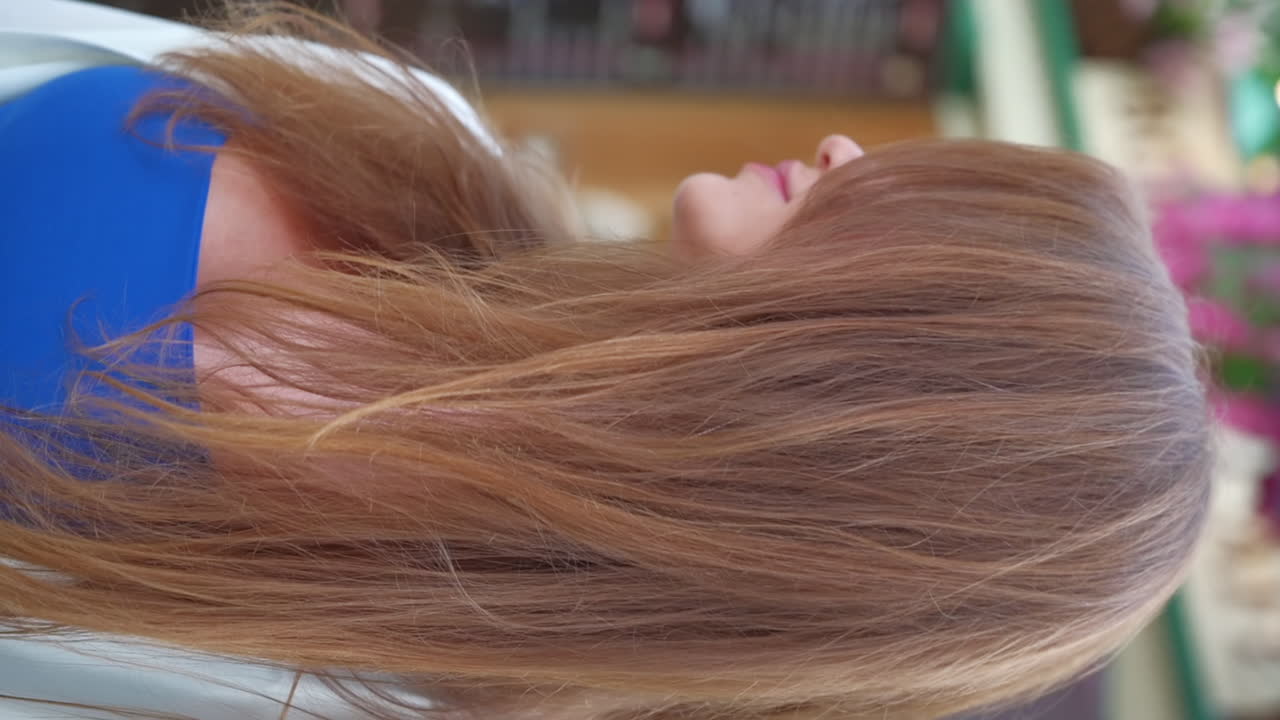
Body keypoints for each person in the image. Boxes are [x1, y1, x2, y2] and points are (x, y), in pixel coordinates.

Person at [0, 2, 1211, 720]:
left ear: (887, 391)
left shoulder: (325, 641)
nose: (848, 146)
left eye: (924, 213)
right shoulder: (418, 142)